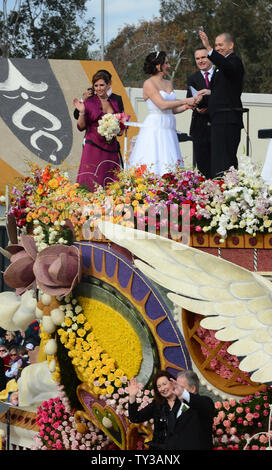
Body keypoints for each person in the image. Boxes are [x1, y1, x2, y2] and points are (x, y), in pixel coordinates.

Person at [128, 51, 200, 176]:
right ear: (158, 66)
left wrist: (188, 106)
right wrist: (185, 100)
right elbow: (162, 105)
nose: (169, 65)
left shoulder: (168, 83)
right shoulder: (149, 84)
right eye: (166, 63)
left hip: (169, 127)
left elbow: (172, 109)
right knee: (155, 159)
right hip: (155, 127)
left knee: (170, 160)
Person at [128, 369, 214, 450]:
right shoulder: (169, 406)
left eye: (164, 384)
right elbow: (135, 417)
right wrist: (132, 396)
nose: (162, 388)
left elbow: (200, 404)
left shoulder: (204, 403)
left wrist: (183, 394)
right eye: (159, 386)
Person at [199, 30, 245, 179]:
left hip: (228, 119)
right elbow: (222, 92)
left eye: (220, 45)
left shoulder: (234, 61)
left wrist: (208, 48)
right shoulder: (222, 66)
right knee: (218, 160)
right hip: (218, 119)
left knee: (225, 161)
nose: (217, 48)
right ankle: (219, 190)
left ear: (231, 45)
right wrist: (204, 98)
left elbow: (228, 68)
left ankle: (227, 192)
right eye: (215, 45)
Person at [73, 70, 124, 192]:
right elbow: (80, 127)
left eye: (102, 85)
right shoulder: (89, 102)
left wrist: (116, 128)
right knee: (90, 183)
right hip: (93, 148)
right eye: (96, 85)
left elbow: (121, 130)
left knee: (111, 183)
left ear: (108, 85)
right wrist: (81, 112)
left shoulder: (115, 103)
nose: (99, 88)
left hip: (111, 149)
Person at [187, 47, 213, 179]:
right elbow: (189, 99)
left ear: (210, 57)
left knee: (218, 166)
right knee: (202, 168)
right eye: (197, 58)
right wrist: (195, 107)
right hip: (199, 127)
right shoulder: (192, 78)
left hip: (217, 125)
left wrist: (211, 106)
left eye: (203, 57)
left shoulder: (220, 74)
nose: (200, 61)